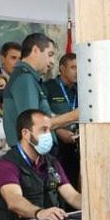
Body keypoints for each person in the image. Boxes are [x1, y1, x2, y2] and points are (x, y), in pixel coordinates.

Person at [3, 34, 80, 151]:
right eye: (50, 55)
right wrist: (73, 116)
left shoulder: (31, 79)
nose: (53, 61)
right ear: (35, 50)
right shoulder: (24, 79)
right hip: (29, 152)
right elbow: (33, 125)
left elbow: (46, 116)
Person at [44, 52, 83, 186]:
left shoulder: (82, 89)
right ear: (62, 69)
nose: (77, 72)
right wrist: (59, 131)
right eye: (73, 67)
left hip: (77, 147)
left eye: (79, 68)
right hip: (56, 147)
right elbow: (43, 114)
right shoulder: (49, 87)